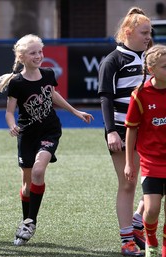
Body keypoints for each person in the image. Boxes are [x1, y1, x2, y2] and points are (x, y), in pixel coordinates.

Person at [0, 34, 94, 246]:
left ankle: (31, 222)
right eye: (33, 53)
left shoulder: (48, 74)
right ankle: (25, 221)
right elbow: (9, 112)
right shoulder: (17, 83)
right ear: (21, 56)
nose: (38, 56)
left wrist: (76, 112)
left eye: (40, 51)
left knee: (39, 171)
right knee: (27, 185)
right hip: (27, 135)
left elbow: (53, 95)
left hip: (50, 131)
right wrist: (12, 125)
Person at [98, 6, 152, 256]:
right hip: (122, 130)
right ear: (128, 32)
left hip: (152, 130)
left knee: (155, 182)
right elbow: (106, 99)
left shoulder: (151, 57)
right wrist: (111, 132)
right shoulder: (113, 60)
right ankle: (127, 241)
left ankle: (138, 220)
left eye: (150, 32)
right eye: (144, 32)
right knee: (128, 184)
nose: (148, 37)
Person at [124, 44, 166, 257]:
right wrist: (129, 162)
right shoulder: (140, 94)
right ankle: (150, 238)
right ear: (151, 70)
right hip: (150, 161)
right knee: (151, 210)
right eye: (165, 66)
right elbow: (131, 129)